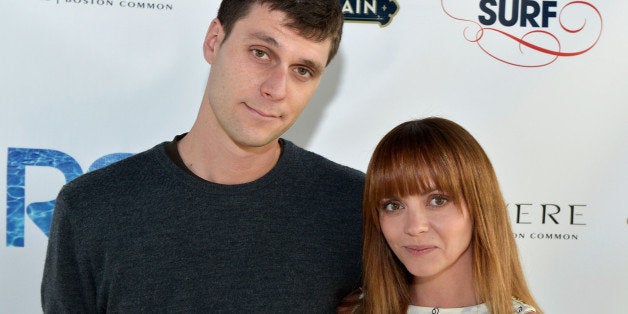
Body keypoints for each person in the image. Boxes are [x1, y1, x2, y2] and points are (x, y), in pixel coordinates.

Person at [41, 1, 364, 312]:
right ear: (214, 41)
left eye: (302, 70)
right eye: (261, 53)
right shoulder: (91, 207)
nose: (277, 89)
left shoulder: (356, 207)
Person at [341, 117, 540, 313]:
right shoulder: (353, 310)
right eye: (393, 206)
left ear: (479, 205)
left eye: (438, 201)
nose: (414, 227)